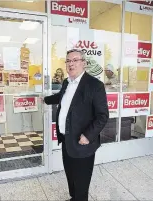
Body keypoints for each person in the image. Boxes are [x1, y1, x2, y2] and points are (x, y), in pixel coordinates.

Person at [43, 49, 109, 201]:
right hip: (66, 140)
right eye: (68, 61)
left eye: (75, 60)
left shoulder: (94, 85)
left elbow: (102, 116)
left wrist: (88, 136)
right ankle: (74, 198)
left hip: (82, 142)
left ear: (83, 63)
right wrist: (46, 100)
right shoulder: (67, 82)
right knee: (70, 175)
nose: (71, 63)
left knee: (81, 181)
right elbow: (63, 97)